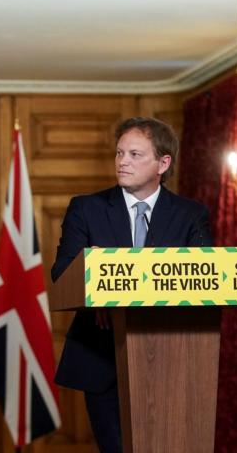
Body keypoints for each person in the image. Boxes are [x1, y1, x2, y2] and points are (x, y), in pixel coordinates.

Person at [50, 116, 212, 453]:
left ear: (162, 163)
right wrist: (92, 272)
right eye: (120, 153)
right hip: (102, 357)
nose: (123, 162)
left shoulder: (190, 214)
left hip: (173, 358)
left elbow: (203, 280)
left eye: (135, 155)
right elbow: (62, 275)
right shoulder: (86, 209)